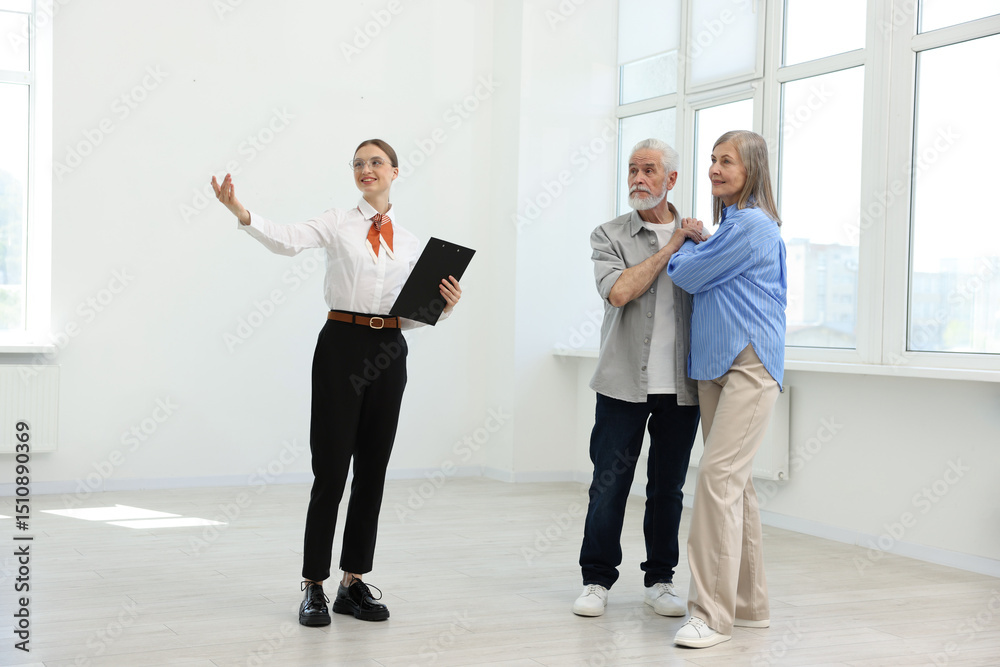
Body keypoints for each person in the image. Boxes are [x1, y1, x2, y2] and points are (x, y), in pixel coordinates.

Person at [210, 139, 463, 627]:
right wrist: (241, 212)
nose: (366, 170)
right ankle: (312, 585)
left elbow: (411, 316)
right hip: (340, 346)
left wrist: (445, 306)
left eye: (375, 163)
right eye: (358, 164)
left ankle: (353, 583)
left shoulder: (410, 242)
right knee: (330, 471)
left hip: (390, 350)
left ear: (394, 171)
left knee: (373, 470)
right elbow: (285, 238)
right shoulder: (336, 221)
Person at [573, 138, 704, 618]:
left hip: (682, 387)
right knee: (608, 484)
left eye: (649, 170)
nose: (637, 179)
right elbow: (620, 291)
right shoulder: (609, 234)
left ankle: (660, 581)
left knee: (667, 489)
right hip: (622, 382)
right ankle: (596, 580)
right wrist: (673, 244)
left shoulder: (700, 236)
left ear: (670, 179)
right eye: (632, 170)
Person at [665, 130, 786, 648]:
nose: (715, 169)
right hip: (714, 364)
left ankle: (711, 615)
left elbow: (687, 276)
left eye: (727, 162)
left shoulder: (754, 225)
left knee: (716, 480)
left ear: (751, 168)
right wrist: (699, 246)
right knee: (738, 487)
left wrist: (684, 252)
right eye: (712, 160)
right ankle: (748, 603)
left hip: (749, 365)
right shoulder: (728, 227)